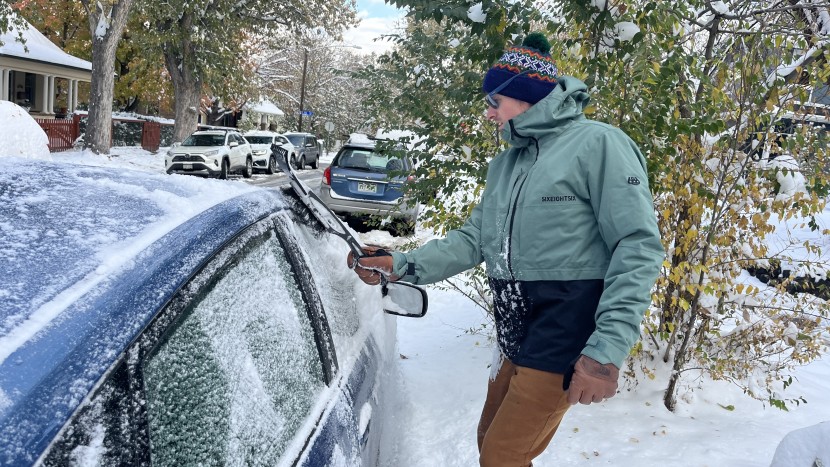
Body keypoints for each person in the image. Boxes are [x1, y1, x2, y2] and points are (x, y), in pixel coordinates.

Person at [348, 32, 664, 466]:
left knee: (502, 456)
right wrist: (403, 265)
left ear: (526, 96)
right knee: (489, 442)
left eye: (495, 101)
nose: (489, 112)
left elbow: (638, 246)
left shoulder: (599, 145)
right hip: (515, 324)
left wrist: (607, 349)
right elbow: (474, 238)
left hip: (565, 327)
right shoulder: (507, 164)